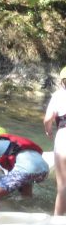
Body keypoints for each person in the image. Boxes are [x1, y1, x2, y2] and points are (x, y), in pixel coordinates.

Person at [0, 126, 48, 210]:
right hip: (44, 170)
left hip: (26, 169)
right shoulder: (12, 144)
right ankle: (29, 214)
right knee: (26, 196)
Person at [44, 66, 66, 215]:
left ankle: (58, 222)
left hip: (63, 137)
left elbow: (48, 119)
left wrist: (48, 130)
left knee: (63, 186)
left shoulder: (58, 95)